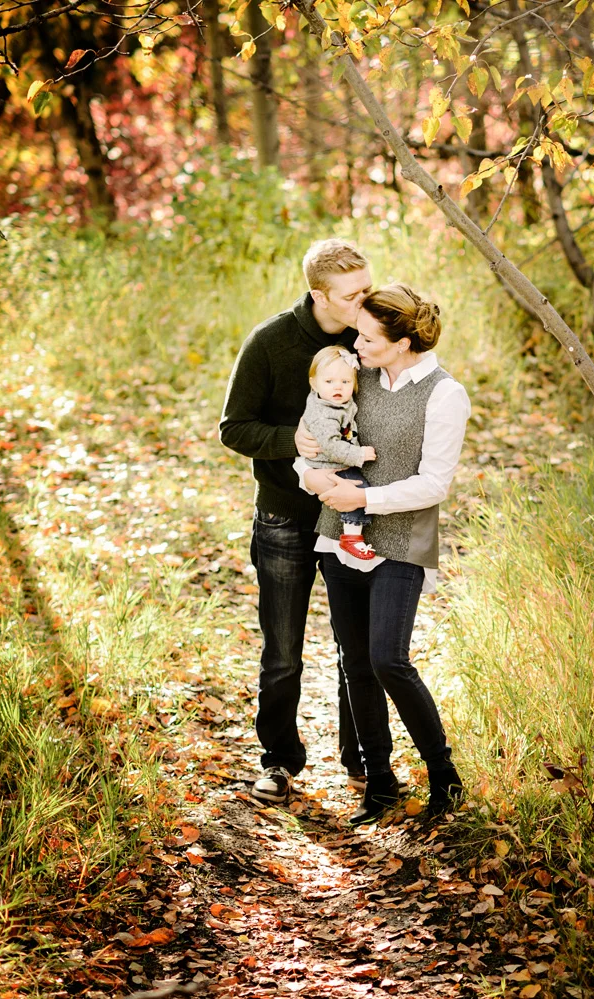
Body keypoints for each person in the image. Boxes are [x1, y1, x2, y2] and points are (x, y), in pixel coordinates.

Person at [300, 283, 469, 824]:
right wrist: (309, 472)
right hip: (338, 536)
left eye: (369, 337)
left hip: (401, 542)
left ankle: (444, 778)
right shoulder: (355, 379)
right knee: (355, 664)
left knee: (388, 660)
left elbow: (435, 483)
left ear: (401, 342)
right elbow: (314, 438)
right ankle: (380, 783)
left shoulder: (445, 394)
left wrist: (364, 497)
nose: (357, 342)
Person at [219, 238, 373, 805]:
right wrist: (292, 441)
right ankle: (280, 763)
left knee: (355, 649)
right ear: (318, 295)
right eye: (352, 296)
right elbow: (234, 428)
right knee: (282, 649)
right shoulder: (269, 343)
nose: (364, 302)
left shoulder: (369, 339)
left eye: (367, 289)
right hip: (284, 516)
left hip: (351, 518)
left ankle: (362, 764)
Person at [292, 345, 378, 561]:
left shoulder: (331, 402)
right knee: (357, 489)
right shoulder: (324, 415)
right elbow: (331, 446)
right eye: (329, 382)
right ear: (314, 383)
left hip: (332, 460)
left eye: (345, 382)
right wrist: (359, 455)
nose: (337, 387)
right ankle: (352, 536)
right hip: (328, 465)